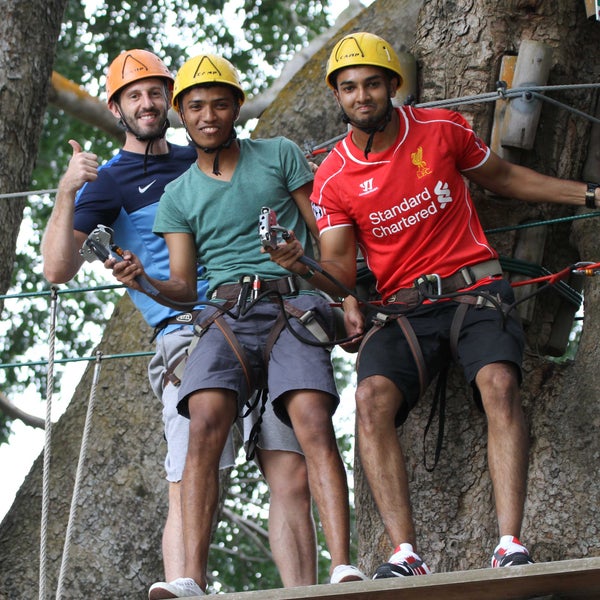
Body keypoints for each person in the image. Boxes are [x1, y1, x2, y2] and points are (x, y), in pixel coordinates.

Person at [267, 31, 600, 579]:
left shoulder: (441, 130)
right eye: (349, 87)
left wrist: (588, 195)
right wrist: (299, 264)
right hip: (405, 307)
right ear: (337, 96)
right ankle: (404, 555)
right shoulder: (332, 178)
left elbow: (507, 178)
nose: (362, 96)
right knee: (370, 397)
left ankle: (510, 543)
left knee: (499, 382)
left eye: (373, 83)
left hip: (475, 288)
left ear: (393, 85)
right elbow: (341, 274)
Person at [41, 49, 319, 594]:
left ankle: (305, 593)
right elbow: (56, 268)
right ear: (116, 108)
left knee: (291, 469)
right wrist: (68, 189)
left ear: (171, 100)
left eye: (154, 92)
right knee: (193, 468)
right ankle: (184, 585)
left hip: (263, 315)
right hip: (187, 335)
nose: (147, 103)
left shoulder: (208, 155)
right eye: (133, 95)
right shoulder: (111, 182)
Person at [113, 52, 366, 598]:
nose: (209, 115)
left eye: (220, 103)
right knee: (203, 418)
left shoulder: (278, 155)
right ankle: (191, 580)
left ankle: (343, 566)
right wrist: (143, 282)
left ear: (237, 108)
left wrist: (331, 283)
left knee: (311, 417)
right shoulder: (178, 195)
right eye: (197, 106)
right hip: (225, 315)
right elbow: (183, 287)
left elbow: (329, 239)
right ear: (181, 113)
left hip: (290, 305)